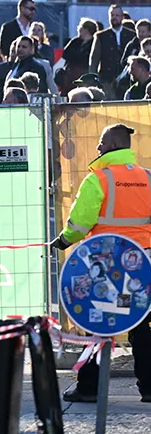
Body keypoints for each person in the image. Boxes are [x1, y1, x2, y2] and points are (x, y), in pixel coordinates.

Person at [53, 124, 150, 404]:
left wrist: (64, 240)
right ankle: (149, 387)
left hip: (107, 264)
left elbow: (80, 223)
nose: (98, 147)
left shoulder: (98, 179)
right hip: (142, 261)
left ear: (113, 145)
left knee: (96, 321)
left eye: (101, 142)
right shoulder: (147, 178)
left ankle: (88, 387)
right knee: (142, 324)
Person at [90, 4, 138, 97]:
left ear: (122, 17)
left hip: (126, 78)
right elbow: (94, 58)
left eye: (117, 15)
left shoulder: (131, 35)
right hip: (107, 78)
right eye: (112, 15)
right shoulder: (101, 36)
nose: (114, 18)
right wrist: (93, 78)